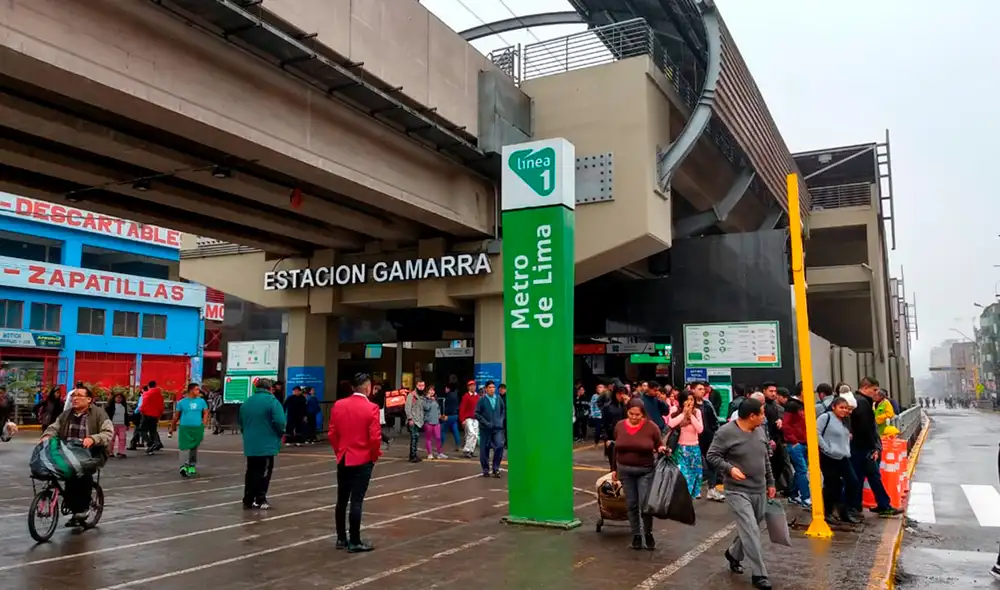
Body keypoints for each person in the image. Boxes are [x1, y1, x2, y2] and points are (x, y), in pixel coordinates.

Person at [707, 397, 776, 590]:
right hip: (737, 491)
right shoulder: (726, 432)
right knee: (751, 529)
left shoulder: (760, 430)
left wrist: (771, 482)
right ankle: (759, 573)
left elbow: (765, 459)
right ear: (751, 416)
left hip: (759, 489)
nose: (764, 416)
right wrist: (729, 469)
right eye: (761, 413)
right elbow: (712, 455)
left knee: (751, 527)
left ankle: (733, 553)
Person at [40, 386, 113, 527]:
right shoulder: (66, 414)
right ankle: (73, 507)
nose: (75, 398)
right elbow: (54, 427)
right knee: (61, 473)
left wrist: (93, 439)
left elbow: (107, 433)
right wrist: (47, 436)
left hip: (92, 453)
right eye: (73, 395)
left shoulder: (99, 414)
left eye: (79, 395)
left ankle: (83, 508)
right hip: (69, 452)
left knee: (83, 474)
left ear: (89, 399)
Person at [328, 372, 381, 553]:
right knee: (356, 500)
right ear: (367, 388)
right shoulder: (371, 408)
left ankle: (341, 538)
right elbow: (374, 438)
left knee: (341, 499)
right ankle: (355, 540)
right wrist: (374, 456)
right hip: (362, 457)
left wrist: (339, 451)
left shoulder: (339, 405)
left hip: (344, 456)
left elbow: (332, 433)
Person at [612, 398, 665, 551]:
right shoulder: (620, 426)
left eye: (638, 415)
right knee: (631, 504)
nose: (634, 417)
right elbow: (616, 448)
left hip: (645, 470)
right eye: (631, 414)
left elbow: (658, 444)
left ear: (643, 414)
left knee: (644, 505)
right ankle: (636, 534)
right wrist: (614, 468)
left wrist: (662, 449)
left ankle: (647, 532)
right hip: (625, 470)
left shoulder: (651, 427)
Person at [851, 377, 902, 518]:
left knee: (866, 477)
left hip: (860, 447)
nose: (876, 393)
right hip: (863, 448)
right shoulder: (863, 404)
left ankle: (867, 505)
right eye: (874, 390)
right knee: (868, 476)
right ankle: (878, 505)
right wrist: (873, 448)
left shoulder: (861, 402)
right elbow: (865, 428)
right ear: (865, 387)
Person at [239, 378, 286, 510]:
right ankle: (260, 498)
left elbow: (241, 422)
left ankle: (248, 499)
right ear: (269, 388)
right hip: (267, 443)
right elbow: (280, 421)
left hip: (250, 443)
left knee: (251, 470)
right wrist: (280, 433)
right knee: (264, 471)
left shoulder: (247, 402)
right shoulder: (272, 401)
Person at [817, 397, 860, 524]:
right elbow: (816, 432)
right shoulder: (826, 418)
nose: (844, 410)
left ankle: (844, 510)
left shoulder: (845, 421)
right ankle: (828, 512)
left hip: (843, 456)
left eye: (846, 408)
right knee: (831, 485)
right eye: (841, 407)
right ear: (833, 407)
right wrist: (826, 448)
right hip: (829, 457)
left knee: (853, 482)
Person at [668, 391, 704, 499]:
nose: (690, 402)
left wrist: (690, 416)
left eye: (692, 400)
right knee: (683, 476)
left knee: (695, 475)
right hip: (681, 449)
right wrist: (684, 413)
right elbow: (671, 424)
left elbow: (700, 429)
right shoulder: (675, 410)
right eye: (687, 400)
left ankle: (689, 499)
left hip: (694, 448)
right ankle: (683, 498)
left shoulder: (697, 412)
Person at [780, 384, 811, 508]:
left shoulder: (802, 405)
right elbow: (786, 425)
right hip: (796, 444)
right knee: (802, 470)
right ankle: (805, 497)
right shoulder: (792, 406)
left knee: (800, 471)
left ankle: (793, 494)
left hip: (804, 443)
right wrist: (794, 441)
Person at [172, 383, 208, 478]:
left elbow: (205, 412)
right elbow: (176, 416)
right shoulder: (182, 402)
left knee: (194, 447)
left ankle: (192, 465)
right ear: (191, 390)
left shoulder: (201, 401)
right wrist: (172, 426)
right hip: (185, 428)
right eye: (196, 389)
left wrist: (203, 423)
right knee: (184, 447)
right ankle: (183, 466)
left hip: (197, 428)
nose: (198, 391)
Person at [475, 380, 505, 478]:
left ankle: (496, 468)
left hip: (497, 428)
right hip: (485, 428)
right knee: (485, 449)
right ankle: (486, 469)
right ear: (486, 389)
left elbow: (503, 410)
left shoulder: (498, 399)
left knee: (500, 445)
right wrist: (486, 423)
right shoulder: (482, 400)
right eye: (490, 387)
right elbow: (477, 413)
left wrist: (500, 420)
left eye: (493, 387)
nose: (492, 389)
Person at [138, 381, 164, 454]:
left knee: (142, 430)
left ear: (148, 386)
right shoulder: (160, 395)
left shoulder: (146, 393)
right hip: (155, 415)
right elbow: (161, 407)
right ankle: (155, 443)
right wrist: (159, 415)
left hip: (146, 414)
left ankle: (150, 443)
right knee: (153, 430)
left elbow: (144, 404)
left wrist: (140, 410)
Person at [404, 381, 426, 463]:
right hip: (413, 420)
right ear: (416, 385)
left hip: (419, 421)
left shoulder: (422, 396)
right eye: (419, 385)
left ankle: (414, 455)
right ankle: (412, 456)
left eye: (422, 385)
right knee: (414, 438)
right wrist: (410, 419)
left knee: (416, 438)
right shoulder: (411, 395)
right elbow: (407, 408)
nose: (421, 387)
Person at [422, 386, 446, 459]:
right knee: (429, 438)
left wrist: (439, 416)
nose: (432, 392)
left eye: (433, 390)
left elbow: (438, 409)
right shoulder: (424, 399)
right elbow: (426, 407)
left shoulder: (435, 399)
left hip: (436, 422)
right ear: (427, 391)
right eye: (430, 390)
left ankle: (439, 453)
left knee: (438, 437)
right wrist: (429, 399)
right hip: (428, 421)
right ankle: (430, 454)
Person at [458, 380, 480, 458]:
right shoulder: (466, 396)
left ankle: (471, 450)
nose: (473, 387)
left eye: (474, 385)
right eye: (471, 386)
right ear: (468, 387)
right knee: (471, 433)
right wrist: (462, 419)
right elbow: (462, 408)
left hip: (476, 418)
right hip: (468, 418)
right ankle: (466, 450)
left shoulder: (477, 396)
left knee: (475, 435)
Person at [105, 392, 129, 458]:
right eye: (117, 398)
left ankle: (121, 452)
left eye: (120, 398)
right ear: (114, 398)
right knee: (111, 439)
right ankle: (110, 452)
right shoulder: (110, 406)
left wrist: (127, 424)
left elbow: (126, 415)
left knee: (122, 439)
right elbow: (106, 415)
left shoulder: (123, 406)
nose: (119, 399)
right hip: (113, 425)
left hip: (122, 425)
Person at [440, 382, 462, 451]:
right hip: (455, 415)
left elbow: (448, 407)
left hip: (449, 416)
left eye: (446, 388)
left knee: (443, 430)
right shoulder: (456, 394)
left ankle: (440, 445)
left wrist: (445, 414)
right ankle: (458, 445)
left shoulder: (449, 396)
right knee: (455, 430)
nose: (445, 389)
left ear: (448, 388)